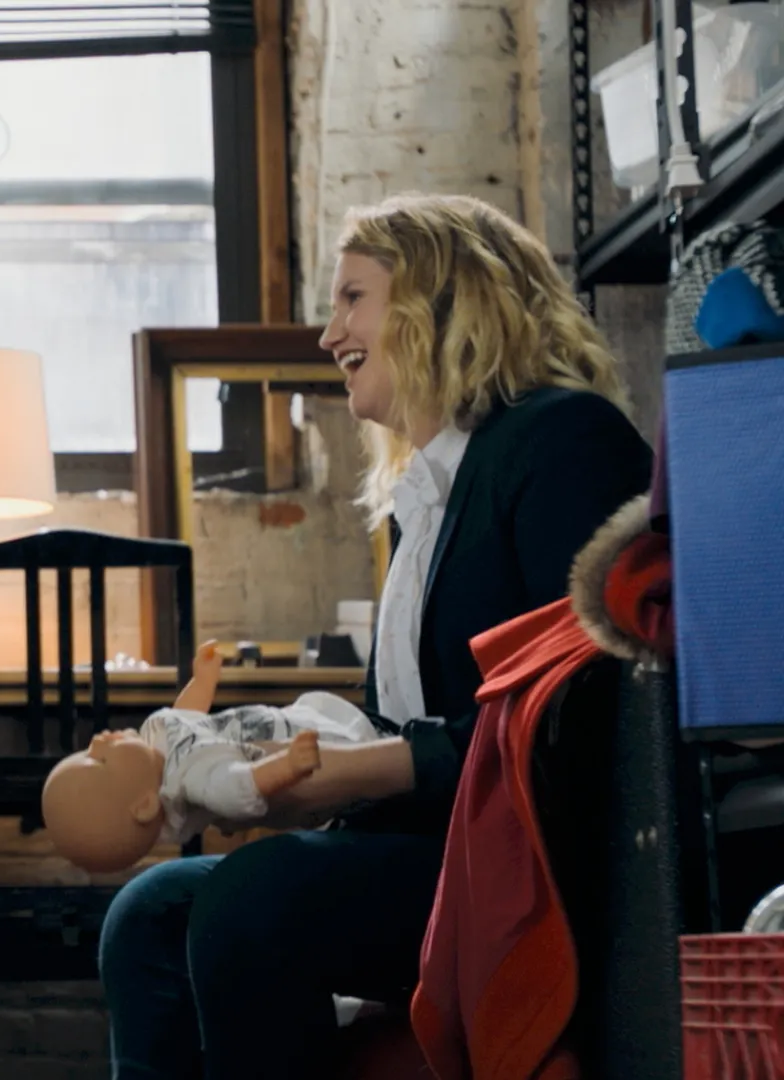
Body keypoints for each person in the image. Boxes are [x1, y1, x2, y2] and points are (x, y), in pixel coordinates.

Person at [95, 193, 654, 1079]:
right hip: (438, 850)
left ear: (444, 299)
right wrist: (290, 782)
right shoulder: (425, 500)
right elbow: (406, 729)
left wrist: (354, 773)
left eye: (353, 297)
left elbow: (582, 714)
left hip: (529, 863)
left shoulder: (563, 439)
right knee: (149, 912)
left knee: (256, 898)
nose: (329, 336)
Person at [42, 641, 381, 872]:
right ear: (145, 805)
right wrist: (286, 766)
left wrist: (203, 680)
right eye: (99, 760)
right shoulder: (193, 782)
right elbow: (240, 787)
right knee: (374, 751)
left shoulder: (159, 746)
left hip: (311, 722)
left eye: (87, 749)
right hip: (326, 749)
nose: (97, 741)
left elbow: (187, 721)